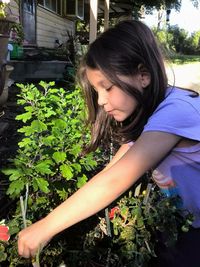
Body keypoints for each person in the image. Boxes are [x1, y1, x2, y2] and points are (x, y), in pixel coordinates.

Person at [17, 20, 200, 267]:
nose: (101, 100)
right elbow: (111, 170)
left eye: (108, 87)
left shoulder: (175, 112)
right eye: (96, 90)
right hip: (182, 222)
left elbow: (116, 180)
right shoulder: (152, 113)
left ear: (143, 75)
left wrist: (46, 227)